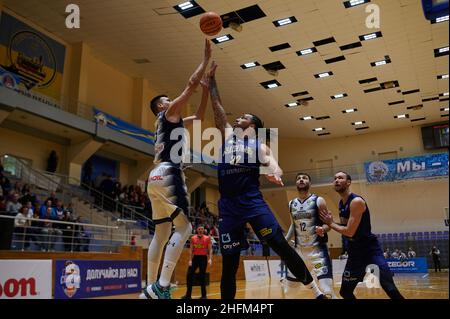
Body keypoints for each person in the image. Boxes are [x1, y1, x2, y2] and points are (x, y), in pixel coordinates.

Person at [206, 62, 325, 299]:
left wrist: (275, 172)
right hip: (228, 207)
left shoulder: (258, 145)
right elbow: (218, 107)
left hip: (252, 203)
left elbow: (273, 163)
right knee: (229, 264)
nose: (237, 118)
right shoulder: (229, 136)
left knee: (280, 245)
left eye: (243, 117)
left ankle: (316, 291)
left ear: (252, 125)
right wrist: (211, 81)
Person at [140, 39, 212, 300]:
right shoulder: (169, 112)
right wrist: (204, 61)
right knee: (184, 229)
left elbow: (201, 117)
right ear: (161, 106)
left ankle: (149, 287)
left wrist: (206, 90)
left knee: (160, 232)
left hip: (154, 176)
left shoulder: (168, 122)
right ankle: (161, 285)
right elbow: (189, 85)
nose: (171, 101)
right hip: (170, 172)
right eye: (166, 100)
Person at [319, 171, 404, 299]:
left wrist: (330, 223)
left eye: (340, 178)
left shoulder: (356, 201)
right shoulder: (342, 203)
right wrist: (325, 227)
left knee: (389, 287)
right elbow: (344, 227)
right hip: (354, 252)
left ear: (348, 182)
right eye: (335, 178)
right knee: (345, 292)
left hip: (369, 250)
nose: (336, 180)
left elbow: (349, 231)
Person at [284, 173, 337, 298]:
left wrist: (322, 229)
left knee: (326, 290)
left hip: (317, 253)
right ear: (296, 183)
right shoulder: (291, 204)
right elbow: (293, 225)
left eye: (305, 178)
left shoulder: (318, 201)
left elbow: (329, 224)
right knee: (289, 292)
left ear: (310, 183)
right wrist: (285, 239)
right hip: (298, 253)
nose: (301, 179)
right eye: (298, 178)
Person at [181, 225, 212, 299]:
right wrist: (190, 260)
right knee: (189, 275)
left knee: (202, 276)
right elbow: (191, 250)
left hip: (203, 258)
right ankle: (188, 295)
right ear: (197, 230)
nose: (200, 230)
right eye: (199, 229)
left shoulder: (207, 238)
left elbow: (210, 249)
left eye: (202, 229)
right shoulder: (193, 238)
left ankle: (204, 296)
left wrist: (210, 258)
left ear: (203, 230)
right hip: (195, 258)